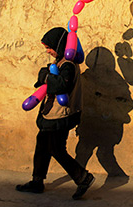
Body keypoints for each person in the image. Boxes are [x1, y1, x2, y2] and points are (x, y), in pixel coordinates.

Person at [16, 27, 95, 200]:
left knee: (56, 148)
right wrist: (45, 75)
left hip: (61, 115)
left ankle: (83, 177)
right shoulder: (60, 62)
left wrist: (45, 76)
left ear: (59, 46)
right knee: (42, 145)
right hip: (52, 113)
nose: (48, 51)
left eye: (49, 47)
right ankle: (37, 181)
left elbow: (61, 85)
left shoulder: (67, 65)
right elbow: (48, 76)